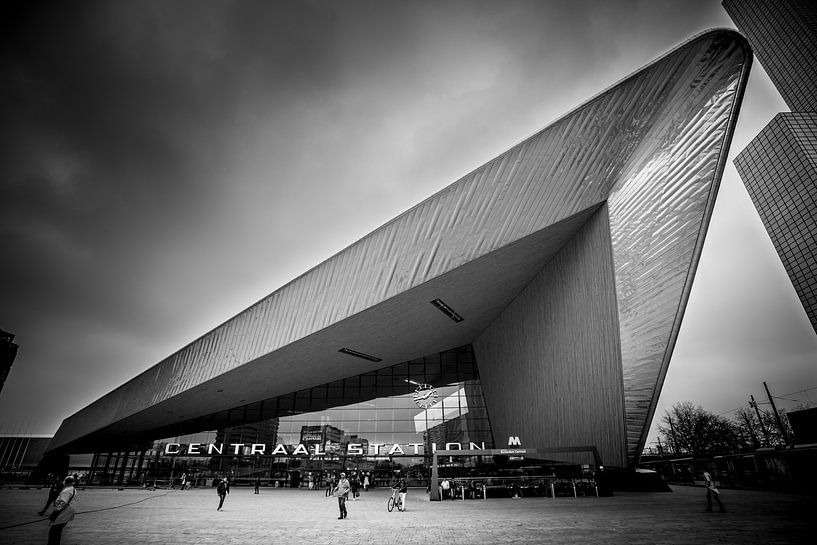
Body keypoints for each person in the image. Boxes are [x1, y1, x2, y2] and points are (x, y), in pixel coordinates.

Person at [47, 476, 77, 545]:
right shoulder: (73, 489)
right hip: (69, 512)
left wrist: (55, 512)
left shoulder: (66, 491)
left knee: (54, 531)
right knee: (58, 530)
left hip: (63, 512)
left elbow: (63, 503)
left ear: (65, 482)